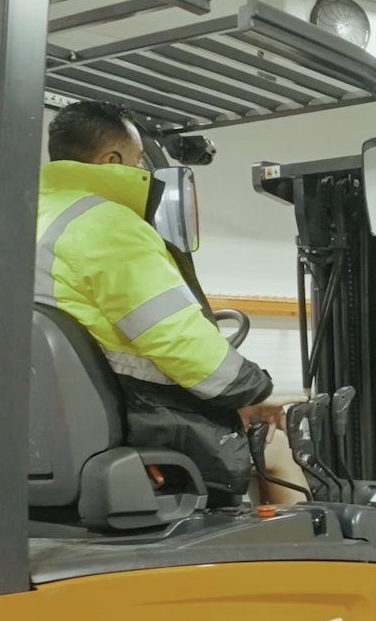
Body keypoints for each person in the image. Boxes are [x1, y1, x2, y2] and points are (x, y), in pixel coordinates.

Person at [29, 100, 288, 501]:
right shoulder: (106, 223)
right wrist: (256, 391)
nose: (142, 174)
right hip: (122, 423)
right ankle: (311, 557)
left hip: (46, 427)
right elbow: (175, 336)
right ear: (112, 160)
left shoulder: (25, 220)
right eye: (137, 162)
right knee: (281, 445)